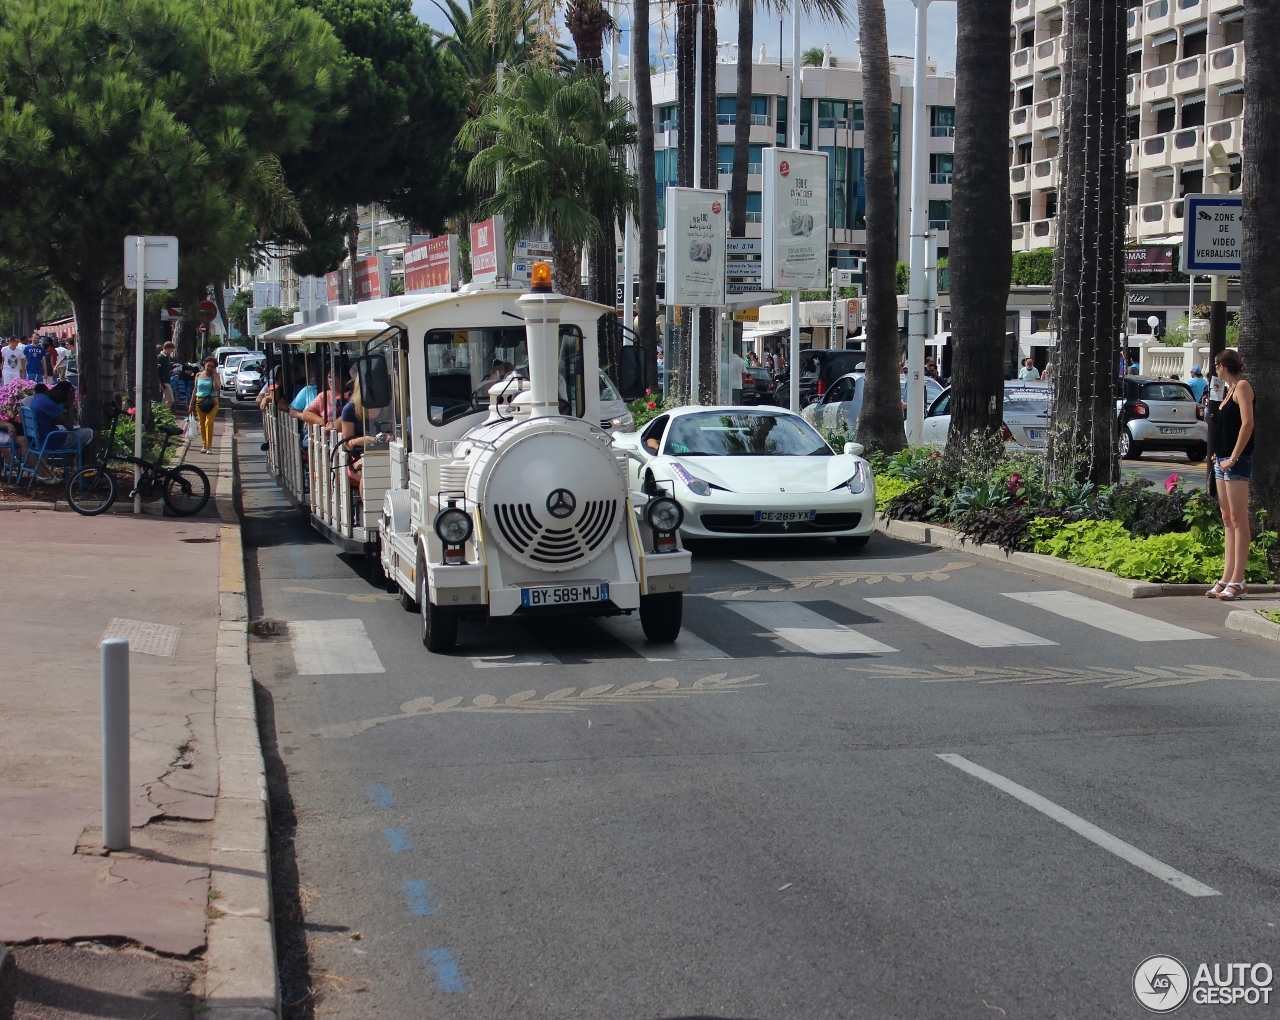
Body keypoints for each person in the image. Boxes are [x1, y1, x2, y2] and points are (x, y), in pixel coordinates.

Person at [1207, 349, 1255, 601]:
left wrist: (1234, 457)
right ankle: (1227, 577)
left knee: (1238, 519)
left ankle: (1239, 579)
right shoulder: (1228, 391)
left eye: (1216, 365)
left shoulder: (1243, 387)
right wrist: (1219, 454)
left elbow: (1247, 424)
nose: (1215, 370)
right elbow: (1226, 426)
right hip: (1222, 460)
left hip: (1236, 461)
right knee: (1227, 518)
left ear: (1222, 366)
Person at [189, 357, 219, 454]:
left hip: (212, 402)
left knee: (209, 422)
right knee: (201, 424)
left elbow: (217, 388)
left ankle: (209, 447)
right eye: (208, 365)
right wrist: (191, 404)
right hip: (200, 402)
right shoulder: (198, 375)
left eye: (212, 366)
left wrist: (214, 376)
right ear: (204, 364)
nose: (209, 368)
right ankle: (204, 445)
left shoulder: (216, 375)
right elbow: (195, 390)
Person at [158, 341, 177, 408]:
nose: (171, 352)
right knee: (170, 401)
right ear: (167, 348)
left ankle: (161, 413)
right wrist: (160, 382)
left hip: (167, 380)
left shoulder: (166, 358)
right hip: (164, 381)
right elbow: (158, 371)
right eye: (171, 350)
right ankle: (164, 414)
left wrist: (172, 371)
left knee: (164, 401)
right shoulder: (160, 358)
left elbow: (165, 369)